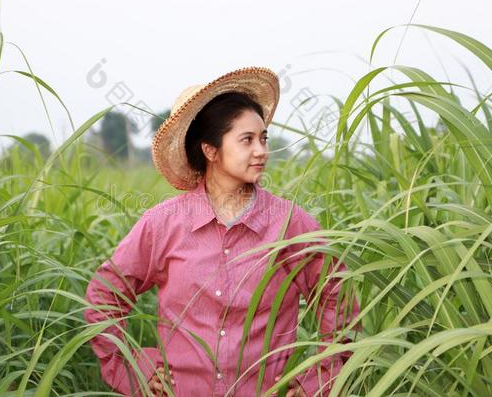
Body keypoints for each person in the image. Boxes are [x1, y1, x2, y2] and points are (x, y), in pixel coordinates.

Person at [84, 66, 360, 396]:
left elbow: (338, 302)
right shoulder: (163, 224)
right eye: (246, 140)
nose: (261, 150)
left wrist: (316, 379)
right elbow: (104, 296)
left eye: (263, 138)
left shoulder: (290, 224)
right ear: (210, 150)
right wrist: (136, 368)